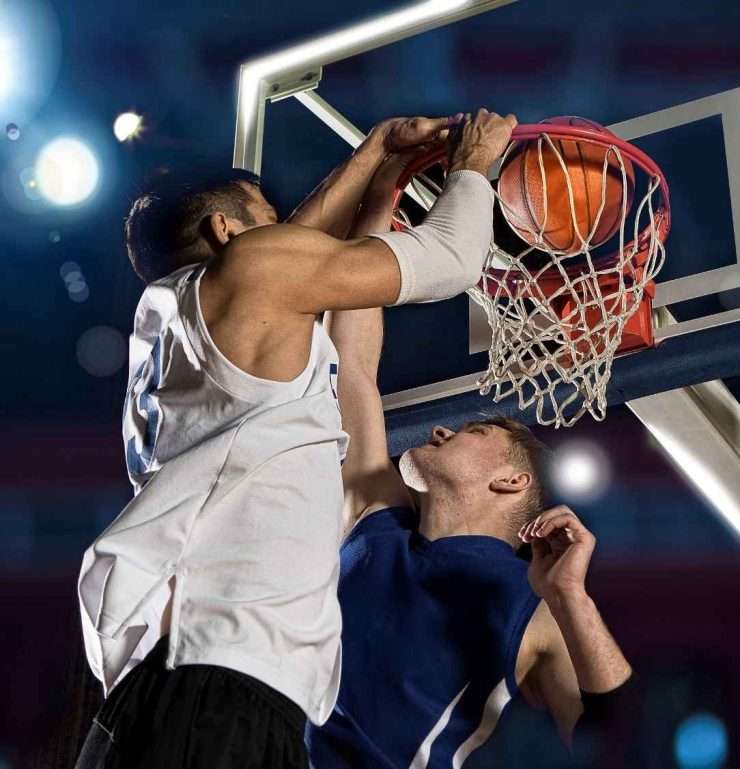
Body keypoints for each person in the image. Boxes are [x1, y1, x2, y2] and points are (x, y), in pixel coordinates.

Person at [74, 109, 517, 769]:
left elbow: (301, 258)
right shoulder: (252, 274)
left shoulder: (171, 324)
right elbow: (450, 259)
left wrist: (375, 166)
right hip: (221, 687)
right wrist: (474, 165)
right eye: (268, 217)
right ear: (227, 232)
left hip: (171, 686)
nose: (291, 237)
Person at [307, 146, 632, 768]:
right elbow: (351, 368)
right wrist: (380, 197)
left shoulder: (534, 606)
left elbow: (614, 739)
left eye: (474, 430)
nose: (435, 433)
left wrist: (573, 600)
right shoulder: (374, 516)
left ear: (512, 480)